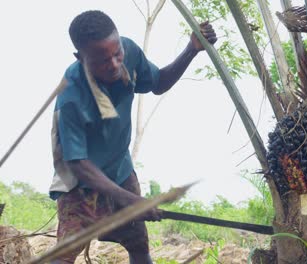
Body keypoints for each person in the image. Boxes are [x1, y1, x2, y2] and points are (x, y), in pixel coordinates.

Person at [48, 10, 217, 264]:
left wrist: (191, 49)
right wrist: (132, 200)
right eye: (103, 61)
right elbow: (77, 162)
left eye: (117, 55)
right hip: (79, 182)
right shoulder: (71, 95)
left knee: (138, 242)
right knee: (64, 254)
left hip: (120, 170)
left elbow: (158, 82)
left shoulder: (129, 51)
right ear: (80, 58)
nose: (115, 64)